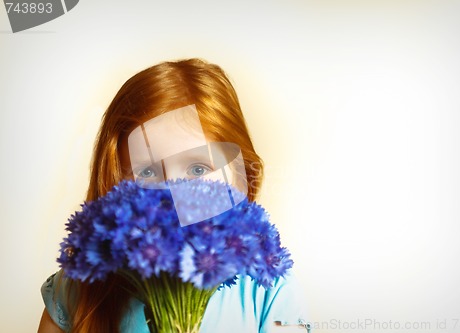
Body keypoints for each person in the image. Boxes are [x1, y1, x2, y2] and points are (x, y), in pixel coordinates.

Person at [38, 58, 309, 333]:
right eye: (147, 172)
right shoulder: (74, 290)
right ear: (115, 186)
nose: (172, 192)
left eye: (198, 167)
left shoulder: (268, 291)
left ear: (242, 179)